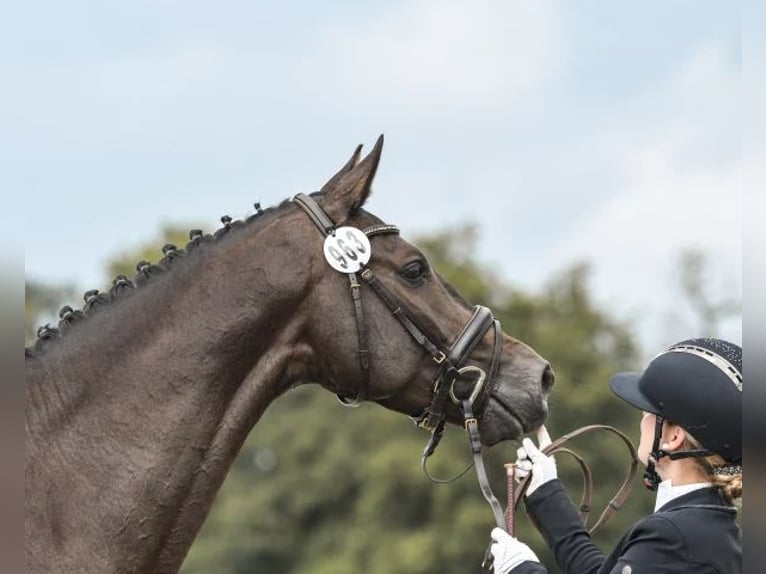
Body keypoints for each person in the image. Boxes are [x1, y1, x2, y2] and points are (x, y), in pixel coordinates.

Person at [488, 337, 742, 574]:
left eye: (649, 411)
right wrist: (546, 493)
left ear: (674, 437)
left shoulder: (672, 536)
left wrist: (521, 568)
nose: (642, 418)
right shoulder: (709, 525)